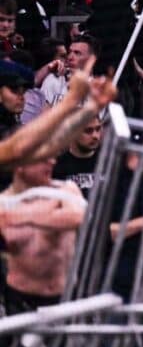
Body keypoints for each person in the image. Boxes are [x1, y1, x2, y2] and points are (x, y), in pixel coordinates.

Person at [0, 157, 85, 314]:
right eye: (43, 159)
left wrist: (20, 217)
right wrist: (49, 215)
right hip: (21, 299)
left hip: (66, 297)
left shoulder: (65, 190)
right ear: (20, 166)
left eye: (53, 157)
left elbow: (78, 217)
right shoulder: (2, 203)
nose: (52, 162)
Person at [52, 116, 102, 198]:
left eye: (98, 129)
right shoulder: (57, 166)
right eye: (88, 131)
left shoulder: (107, 162)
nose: (95, 136)